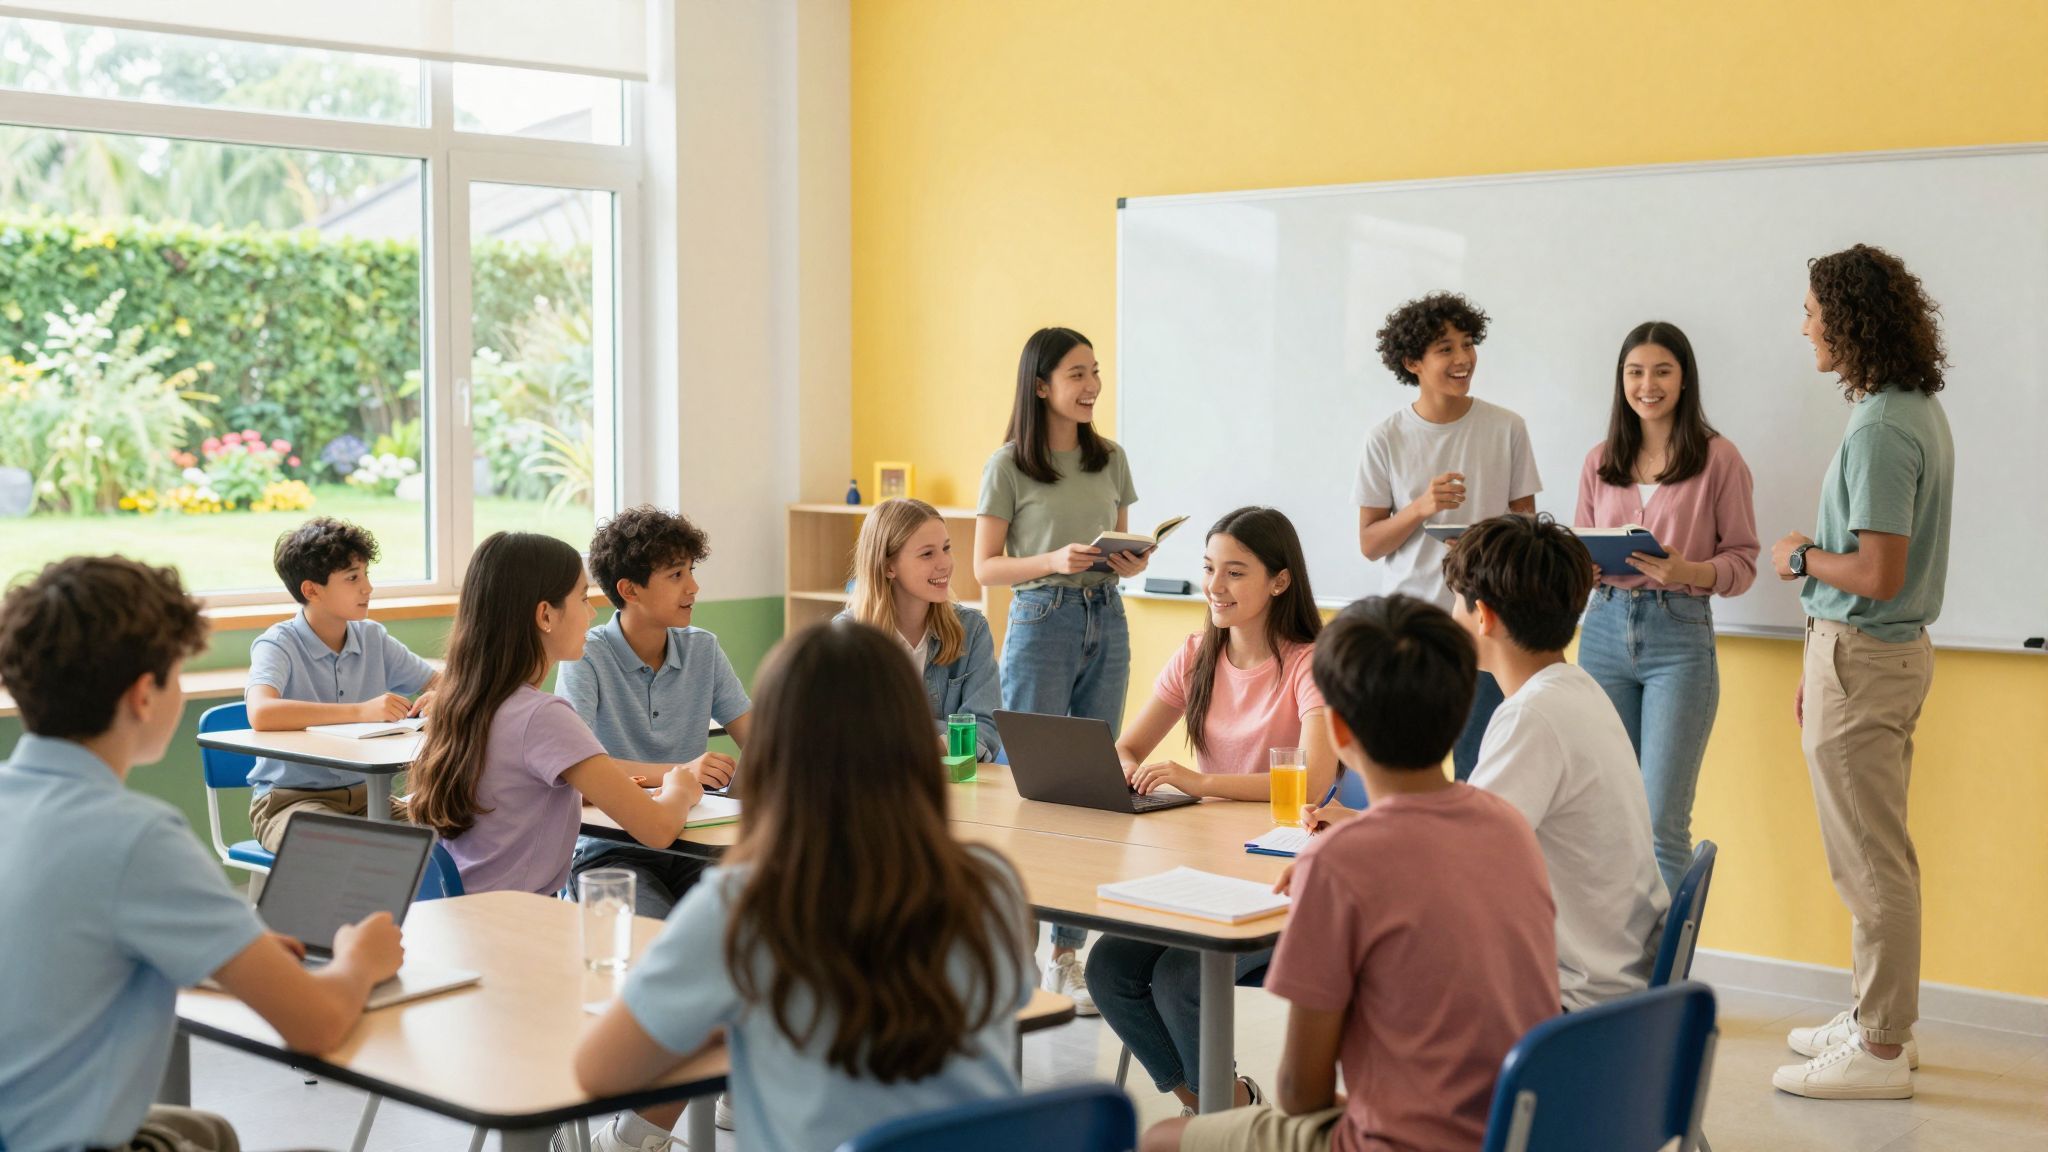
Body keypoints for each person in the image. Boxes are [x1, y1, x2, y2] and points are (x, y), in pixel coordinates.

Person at [573, 621, 1036, 1152]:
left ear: (774, 754)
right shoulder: (991, 885)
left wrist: (725, 1024)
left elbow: (599, 1073)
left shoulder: (745, 904)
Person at [0, 557, 403, 1152]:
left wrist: (236, 947)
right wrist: (360, 960)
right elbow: (317, 1024)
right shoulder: (135, 837)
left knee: (203, 1130)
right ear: (144, 695)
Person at [1146, 595, 1557, 1152]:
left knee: (1160, 1139)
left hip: (1401, 1143)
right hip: (1518, 1127)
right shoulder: (1509, 825)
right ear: (1462, 710)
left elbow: (1300, 1093)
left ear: (1337, 731)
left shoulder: (1339, 861)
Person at [1770, 244, 1953, 1101]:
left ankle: (1881, 1050)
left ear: (1847, 318)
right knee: (1871, 851)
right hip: (1864, 653)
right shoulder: (1907, 406)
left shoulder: (1882, 424)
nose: (1804, 324)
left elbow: (1875, 573)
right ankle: (1875, 1018)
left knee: (1870, 861)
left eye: (1812, 310)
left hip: (1865, 652)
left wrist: (1801, 557)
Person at [1088, 506, 1335, 1113]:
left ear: (1279, 581)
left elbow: (1314, 779)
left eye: (1235, 572)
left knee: (1180, 976)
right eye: (1208, 569)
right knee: (1108, 969)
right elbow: (1126, 746)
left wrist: (1200, 782)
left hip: (1280, 878)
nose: (1215, 587)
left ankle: (1222, 1121)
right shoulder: (1197, 653)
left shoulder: (1310, 662)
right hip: (1203, 867)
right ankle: (1219, 1108)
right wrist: (1127, 771)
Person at [975, 325, 1149, 1010]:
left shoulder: (1111, 458)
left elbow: (1125, 538)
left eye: (1096, 371)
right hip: (1040, 618)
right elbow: (985, 567)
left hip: (1106, 614)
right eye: (1078, 373)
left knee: (1092, 788)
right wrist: (1051, 561)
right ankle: (1012, 953)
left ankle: (1068, 951)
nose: (1092, 386)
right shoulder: (1008, 465)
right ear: (1041, 384)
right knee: (1035, 787)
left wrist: (1131, 559)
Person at [406, 532, 715, 898]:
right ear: (546, 615)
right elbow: (659, 830)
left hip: (461, 917)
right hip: (516, 925)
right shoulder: (543, 716)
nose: (591, 612)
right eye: (583, 598)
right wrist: (679, 787)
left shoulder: (461, 700)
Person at [1446, 514, 1669, 1010]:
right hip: (1618, 974)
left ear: (1483, 616)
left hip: (1572, 997)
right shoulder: (1576, 689)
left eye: (1454, 605)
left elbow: (1457, 860)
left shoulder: (1531, 716)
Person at [1575, 321, 1759, 894]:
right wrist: (1581, 566)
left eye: (1661, 371)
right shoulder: (1601, 459)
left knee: (1660, 825)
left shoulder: (1719, 458)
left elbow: (1744, 561)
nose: (1647, 385)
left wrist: (1690, 573)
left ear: (1684, 380)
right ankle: (1616, 971)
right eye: (1635, 372)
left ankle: (1667, 978)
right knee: (1607, 819)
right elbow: (1578, 539)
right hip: (1602, 629)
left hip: (1678, 639)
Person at [1354, 292, 1540, 780]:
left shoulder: (1507, 428)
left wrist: (1487, 548)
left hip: (1487, 632)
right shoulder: (1386, 438)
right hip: (1410, 634)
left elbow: (1530, 534)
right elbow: (1371, 543)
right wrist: (1422, 507)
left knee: (1479, 775)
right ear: (1412, 362)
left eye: (1468, 344)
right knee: (1403, 771)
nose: (1463, 360)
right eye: (1445, 349)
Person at [558, 505, 753, 919]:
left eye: (691, 571)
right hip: (610, 853)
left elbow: (761, 740)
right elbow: (581, 771)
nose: (694, 587)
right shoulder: (586, 656)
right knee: (655, 944)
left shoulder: (703, 648)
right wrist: (682, 773)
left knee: (754, 931)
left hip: (697, 848)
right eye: (676, 575)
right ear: (630, 590)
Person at [244, 517, 440, 849]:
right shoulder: (278, 644)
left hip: (370, 800)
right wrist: (361, 711)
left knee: (451, 832)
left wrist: (441, 697)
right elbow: (261, 712)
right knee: (337, 849)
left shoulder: (373, 637)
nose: (368, 588)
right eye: (352, 578)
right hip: (291, 803)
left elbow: (442, 681)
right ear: (311, 590)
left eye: (366, 574)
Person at [844, 497, 1001, 761]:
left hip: (952, 787)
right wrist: (946, 736)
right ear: (888, 566)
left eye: (946, 548)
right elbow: (847, 735)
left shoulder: (972, 630)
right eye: (927, 553)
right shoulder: (847, 639)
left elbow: (985, 731)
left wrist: (897, 737)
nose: (945, 563)